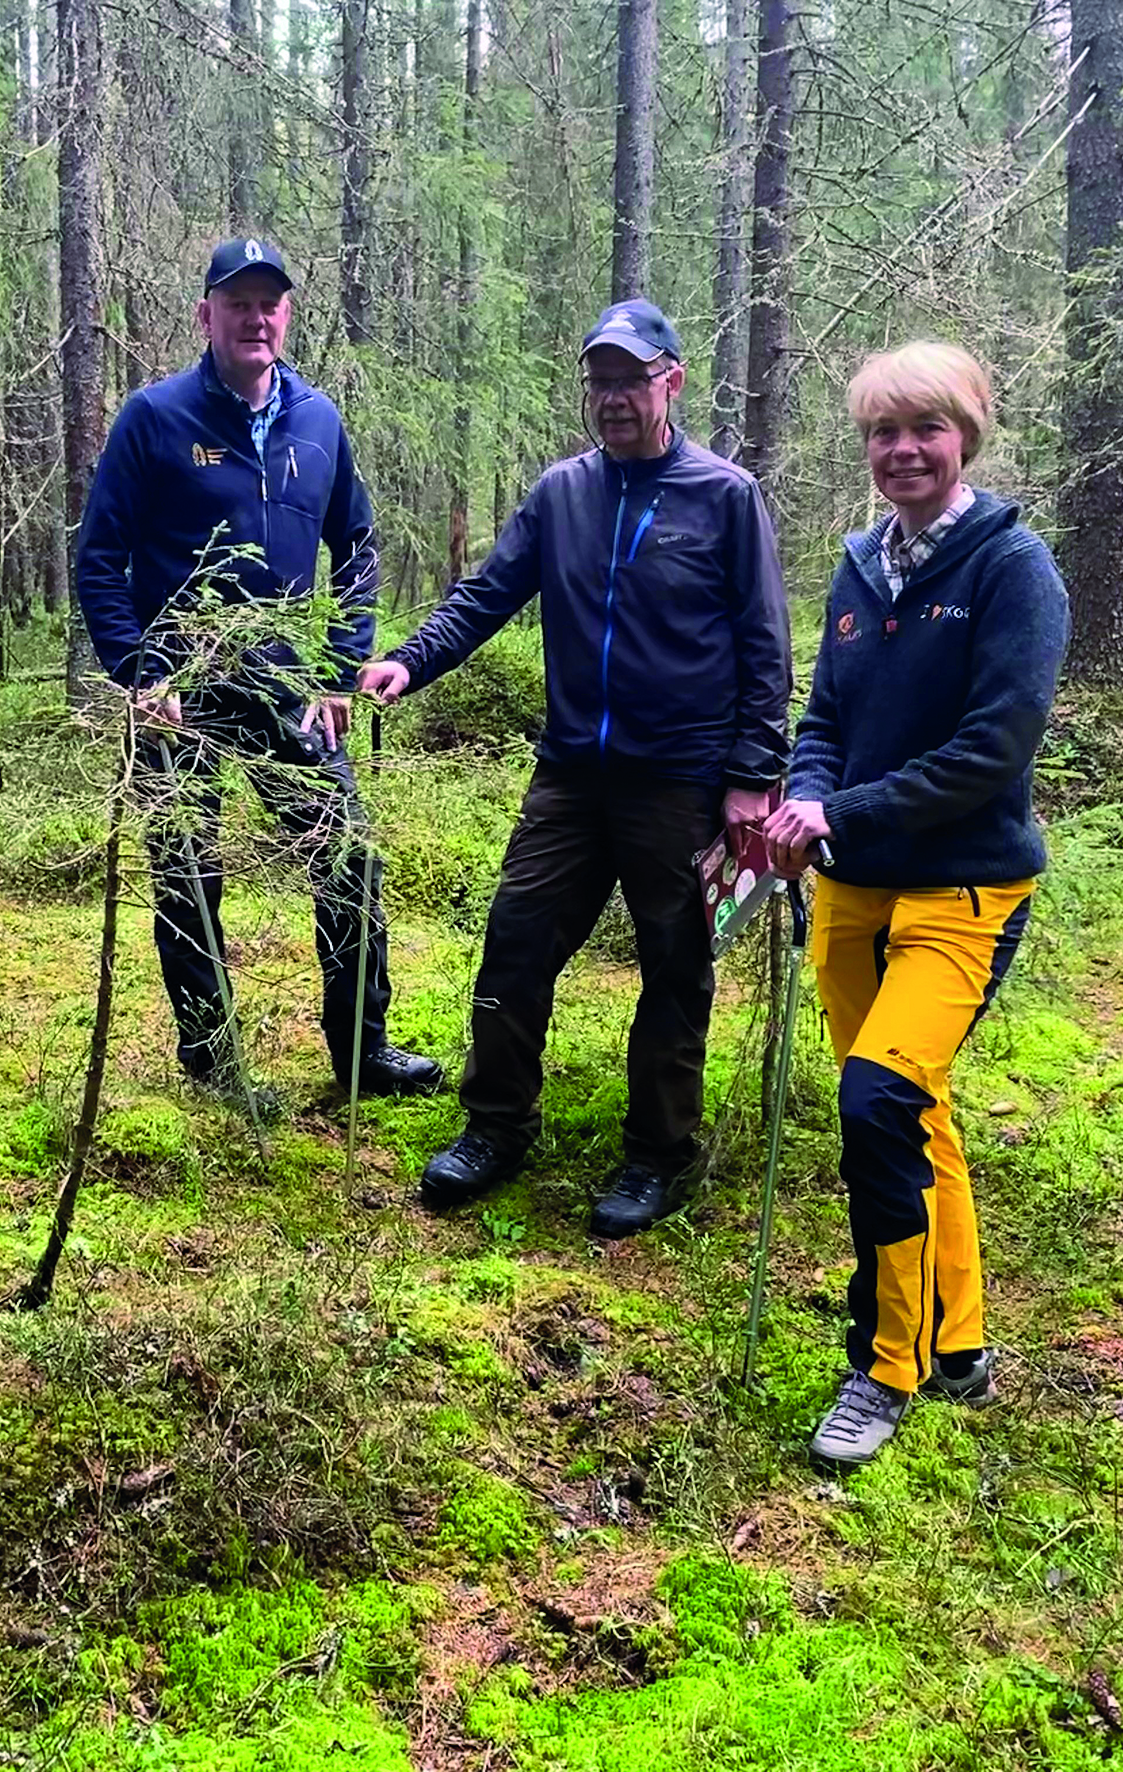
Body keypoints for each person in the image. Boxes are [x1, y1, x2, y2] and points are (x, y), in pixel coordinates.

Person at [360, 300, 790, 1238]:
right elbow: (486, 594)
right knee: (516, 940)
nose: (614, 398)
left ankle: (658, 1155)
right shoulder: (562, 493)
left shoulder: (724, 497)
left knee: (674, 968)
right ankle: (496, 1126)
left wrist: (755, 772)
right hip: (571, 776)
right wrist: (410, 659)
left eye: (631, 378)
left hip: (680, 780)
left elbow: (765, 646)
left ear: (671, 380)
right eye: (600, 380)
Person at [759, 341, 1067, 1469]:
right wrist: (803, 797)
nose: (901, 451)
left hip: (963, 888)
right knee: (911, 1106)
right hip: (848, 890)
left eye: (924, 430)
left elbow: (993, 747)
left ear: (965, 437)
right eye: (883, 433)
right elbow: (824, 720)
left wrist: (842, 813)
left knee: (879, 1099)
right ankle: (959, 1343)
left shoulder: (1011, 568)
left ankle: (883, 1364)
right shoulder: (858, 571)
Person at [74, 238, 440, 1109]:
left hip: (292, 687)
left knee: (345, 854)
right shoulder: (156, 418)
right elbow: (99, 558)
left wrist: (341, 668)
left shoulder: (319, 421)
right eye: (237, 301)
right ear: (206, 315)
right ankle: (213, 1065)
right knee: (188, 871)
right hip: (182, 692)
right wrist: (140, 672)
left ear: (287, 313)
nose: (256, 316)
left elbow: (355, 546)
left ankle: (362, 1050)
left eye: (270, 301)